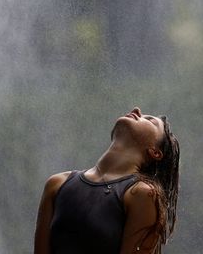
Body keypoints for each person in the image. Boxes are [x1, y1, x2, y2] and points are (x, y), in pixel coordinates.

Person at [34, 107, 180, 254]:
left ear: (155, 152)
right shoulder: (57, 184)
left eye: (149, 120)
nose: (136, 110)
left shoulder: (141, 194)